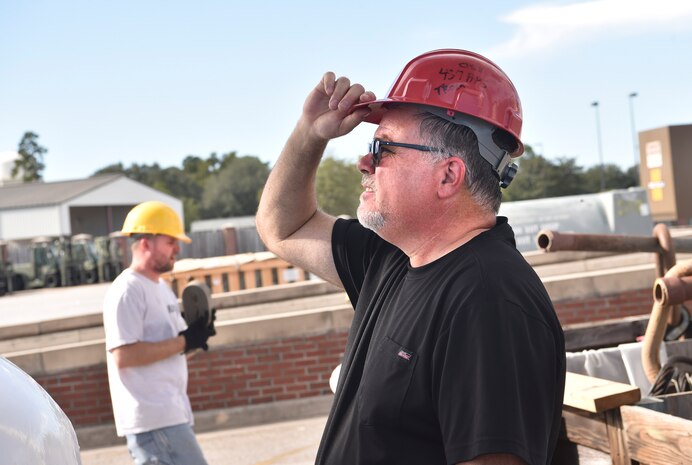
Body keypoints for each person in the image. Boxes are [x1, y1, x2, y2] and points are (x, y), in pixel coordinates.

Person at [256, 49, 566, 465]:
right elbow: (284, 227)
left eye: (383, 149)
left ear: (447, 176)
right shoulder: (393, 259)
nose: (363, 162)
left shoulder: (489, 301)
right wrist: (310, 134)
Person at [103, 200, 215, 465]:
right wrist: (184, 340)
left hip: (170, 414)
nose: (177, 248)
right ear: (145, 243)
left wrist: (194, 339)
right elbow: (124, 355)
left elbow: (169, 351)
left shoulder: (161, 288)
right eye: (170, 241)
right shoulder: (127, 290)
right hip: (153, 420)